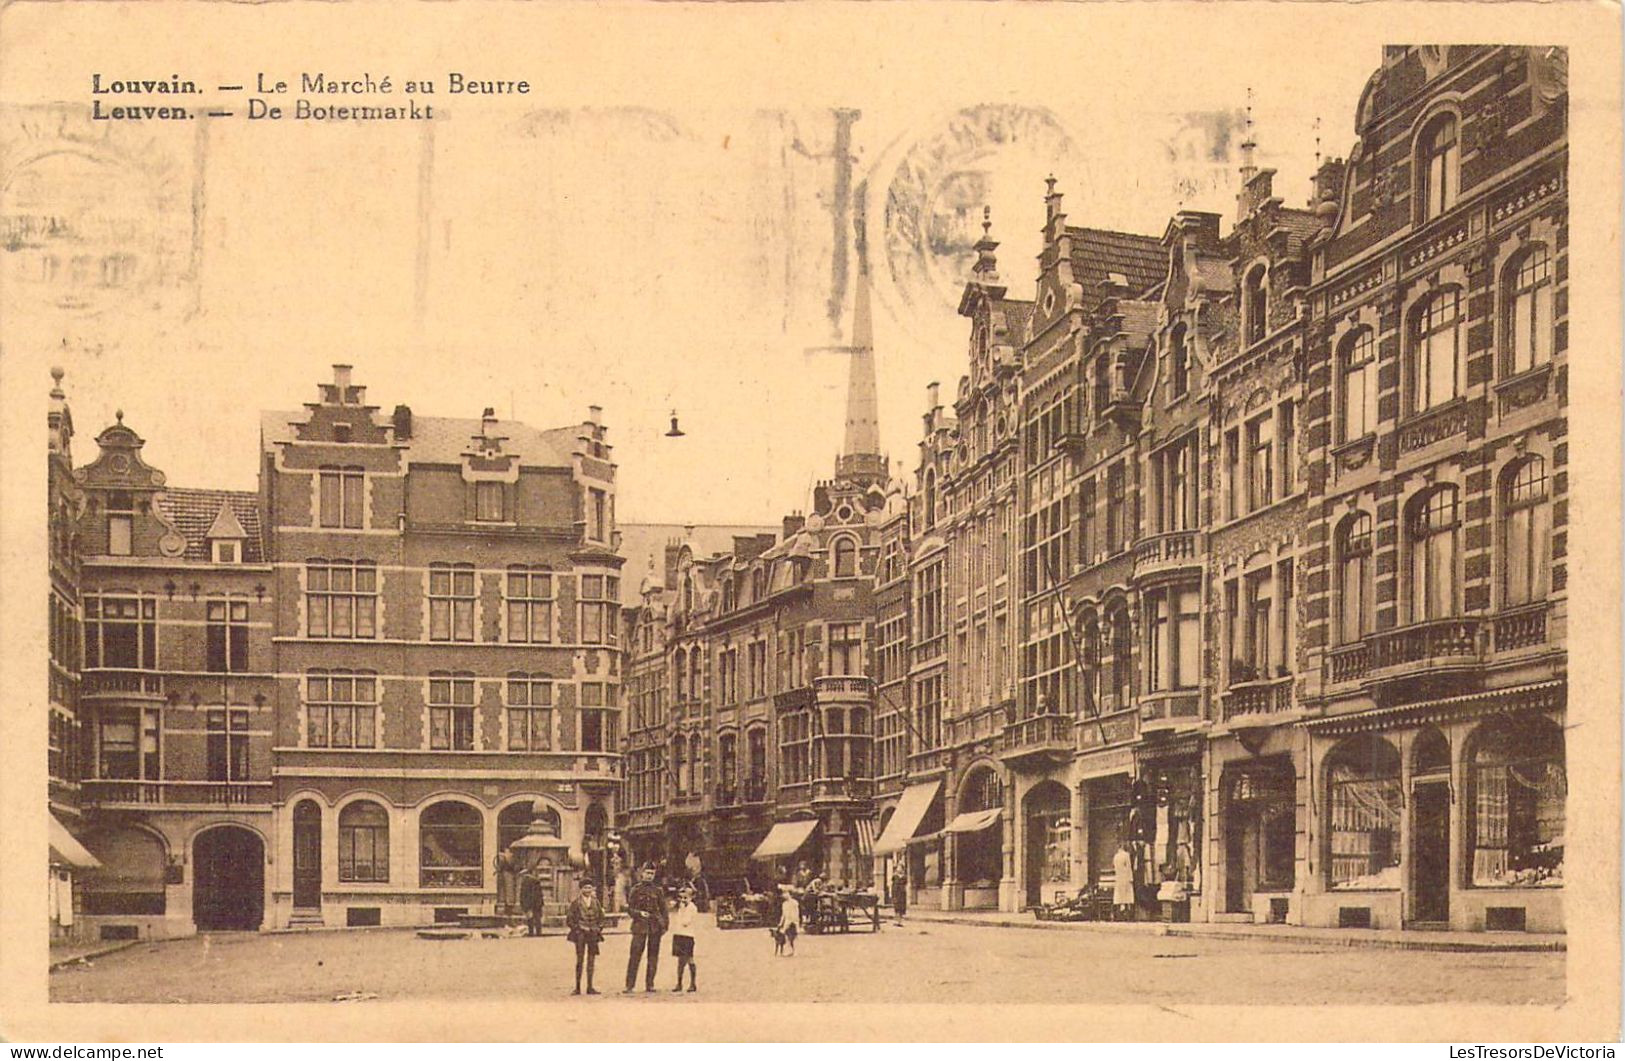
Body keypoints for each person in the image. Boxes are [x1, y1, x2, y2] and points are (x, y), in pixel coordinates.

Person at [624, 864, 669, 993]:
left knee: (653, 956)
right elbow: (630, 909)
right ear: (641, 873)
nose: (649, 876)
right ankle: (629, 985)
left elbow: (663, 909)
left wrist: (665, 925)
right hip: (640, 926)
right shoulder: (635, 890)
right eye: (647, 873)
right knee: (635, 955)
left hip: (655, 927)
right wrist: (639, 914)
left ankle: (650, 984)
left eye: (652, 873)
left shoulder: (658, 890)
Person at [565, 879, 606, 995]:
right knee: (580, 960)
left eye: (590, 887)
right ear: (581, 889)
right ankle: (577, 987)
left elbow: (601, 918)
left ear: (592, 889)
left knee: (591, 960)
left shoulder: (596, 902)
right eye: (585, 888)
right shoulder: (576, 903)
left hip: (593, 933)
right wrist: (578, 929)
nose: (587, 890)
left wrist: (599, 928)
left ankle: (590, 987)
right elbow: (570, 920)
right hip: (580, 935)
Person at [669, 884, 699, 993]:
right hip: (678, 934)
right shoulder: (680, 907)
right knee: (680, 961)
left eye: (685, 897)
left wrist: (681, 911)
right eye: (680, 897)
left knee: (689, 958)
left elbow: (686, 922)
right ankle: (679, 983)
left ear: (691, 898)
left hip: (688, 936)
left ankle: (693, 983)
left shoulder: (692, 908)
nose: (682, 900)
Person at [1112, 843, 1136, 922]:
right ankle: (1129, 916)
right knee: (1128, 898)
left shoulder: (1116, 856)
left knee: (1119, 897)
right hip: (1125, 878)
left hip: (1118, 878)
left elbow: (1115, 867)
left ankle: (1118, 916)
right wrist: (1131, 878)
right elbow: (1128, 867)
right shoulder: (1126, 855)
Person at [777, 886, 801, 956]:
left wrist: (796, 922)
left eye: (786, 893)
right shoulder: (784, 904)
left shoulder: (794, 903)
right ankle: (789, 951)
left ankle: (795, 951)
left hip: (793, 921)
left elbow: (796, 913)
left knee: (794, 937)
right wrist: (780, 923)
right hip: (787, 922)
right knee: (787, 937)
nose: (784, 895)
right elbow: (783, 914)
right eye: (783, 893)